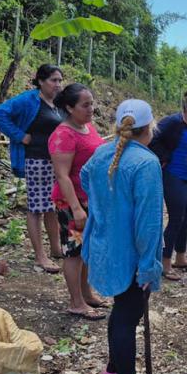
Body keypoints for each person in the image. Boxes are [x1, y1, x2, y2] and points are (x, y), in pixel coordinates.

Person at [80, 99, 163, 374]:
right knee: (129, 316)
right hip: (131, 256)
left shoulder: (103, 152)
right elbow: (148, 224)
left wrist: (106, 207)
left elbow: (85, 178)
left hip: (106, 246)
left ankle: (115, 367)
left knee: (120, 310)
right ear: (150, 127)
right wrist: (149, 265)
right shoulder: (146, 163)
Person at [0, 64, 64, 273]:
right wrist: (20, 136)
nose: (57, 84)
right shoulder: (29, 100)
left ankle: (56, 248)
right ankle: (40, 257)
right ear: (41, 81)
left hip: (54, 161)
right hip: (36, 160)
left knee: (52, 205)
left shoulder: (57, 103)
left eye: (60, 80)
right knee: (37, 208)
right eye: (53, 80)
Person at [48, 83, 107, 320]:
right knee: (74, 252)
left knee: (87, 250)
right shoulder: (63, 134)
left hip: (89, 199)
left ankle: (86, 293)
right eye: (85, 105)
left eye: (91, 103)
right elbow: (62, 175)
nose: (91, 108)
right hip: (71, 203)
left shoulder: (86, 127)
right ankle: (76, 302)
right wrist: (76, 208)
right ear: (70, 108)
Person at [149, 90, 187, 281]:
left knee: (186, 217)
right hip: (172, 175)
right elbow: (152, 138)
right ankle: (165, 262)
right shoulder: (172, 122)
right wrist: (163, 157)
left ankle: (180, 258)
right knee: (176, 217)